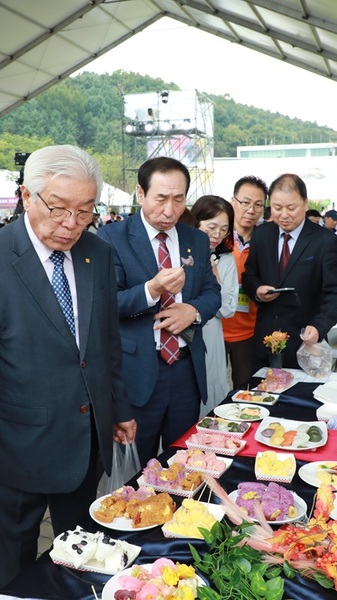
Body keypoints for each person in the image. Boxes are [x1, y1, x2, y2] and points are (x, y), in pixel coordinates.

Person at [0, 145, 136, 591]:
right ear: (27, 196)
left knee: (81, 557)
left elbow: (107, 341)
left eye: (85, 210)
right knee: (13, 566)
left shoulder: (98, 253)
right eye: (59, 208)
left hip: (83, 442)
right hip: (16, 447)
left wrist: (120, 408)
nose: (71, 224)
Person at [97, 157, 221, 466]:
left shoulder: (196, 239)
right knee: (136, 467)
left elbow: (213, 294)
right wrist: (151, 291)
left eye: (178, 199)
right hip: (138, 372)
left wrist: (191, 311)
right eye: (161, 198)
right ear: (140, 193)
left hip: (185, 371)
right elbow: (105, 305)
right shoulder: (111, 238)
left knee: (182, 463)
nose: (169, 210)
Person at [242, 174, 337, 370]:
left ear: (305, 204)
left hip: (304, 343)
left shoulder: (325, 241)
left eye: (291, 208)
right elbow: (249, 276)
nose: (283, 215)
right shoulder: (262, 235)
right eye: (277, 208)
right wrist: (257, 290)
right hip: (265, 342)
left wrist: (319, 326)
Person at [191, 195, 239, 414]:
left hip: (211, 334)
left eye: (224, 229)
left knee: (210, 389)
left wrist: (216, 281)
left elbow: (228, 309)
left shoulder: (226, 260)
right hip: (181, 333)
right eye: (211, 227)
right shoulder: (181, 252)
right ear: (196, 222)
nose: (217, 235)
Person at [222, 176, 268, 388]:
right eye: (246, 202)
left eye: (258, 205)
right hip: (213, 330)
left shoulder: (267, 241)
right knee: (211, 391)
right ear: (233, 201)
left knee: (246, 390)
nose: (251, 210)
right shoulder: (216, 236)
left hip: (249, 332)